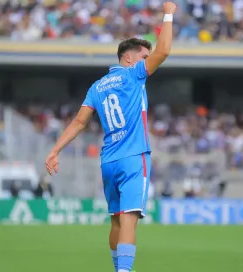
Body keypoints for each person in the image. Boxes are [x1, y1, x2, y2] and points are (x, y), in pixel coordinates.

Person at [44, 2, 176, 272]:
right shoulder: (133, 75)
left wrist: (55, 150)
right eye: (143, 56)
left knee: (115, 221)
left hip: (109, 161)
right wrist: (169, 14)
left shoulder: (97, 86)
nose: (146, 61)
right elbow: (164, 51)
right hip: (132, 157)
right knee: (129, 219)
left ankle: (119, 268)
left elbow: (80, 121)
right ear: (129, 59)